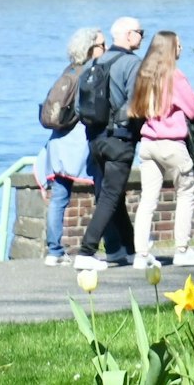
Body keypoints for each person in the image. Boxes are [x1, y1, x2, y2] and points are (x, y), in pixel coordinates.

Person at [36, 27, 119, 266]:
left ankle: (54, 251)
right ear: (91, 49)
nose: (106, 49)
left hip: (58, 143)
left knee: (59, 197)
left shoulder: (68, 72)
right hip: (81, 143)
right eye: (102, 45)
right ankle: (110, 246)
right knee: (104, 194)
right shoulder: (92, 73)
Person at [127, 30, 194, 268]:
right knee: (185, 193)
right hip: (171, 144)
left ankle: (141, 254)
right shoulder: (174, 76)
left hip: (148, 143)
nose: (181, 49)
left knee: (147, 200)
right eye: (178, 45)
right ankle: (182, 250)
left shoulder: (145, 74)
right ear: (170, 50)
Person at [72, 17, 145, 272]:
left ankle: (125, 251)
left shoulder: (94, 63)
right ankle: (86, 251)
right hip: (119, 140)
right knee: (111, 196)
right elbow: (137, 102)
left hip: (95, 138)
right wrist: (132, 130)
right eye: (139, 32)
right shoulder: (132, 64)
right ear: (127, 35)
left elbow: (79, 105)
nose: (142, 36)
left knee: (113, 195)